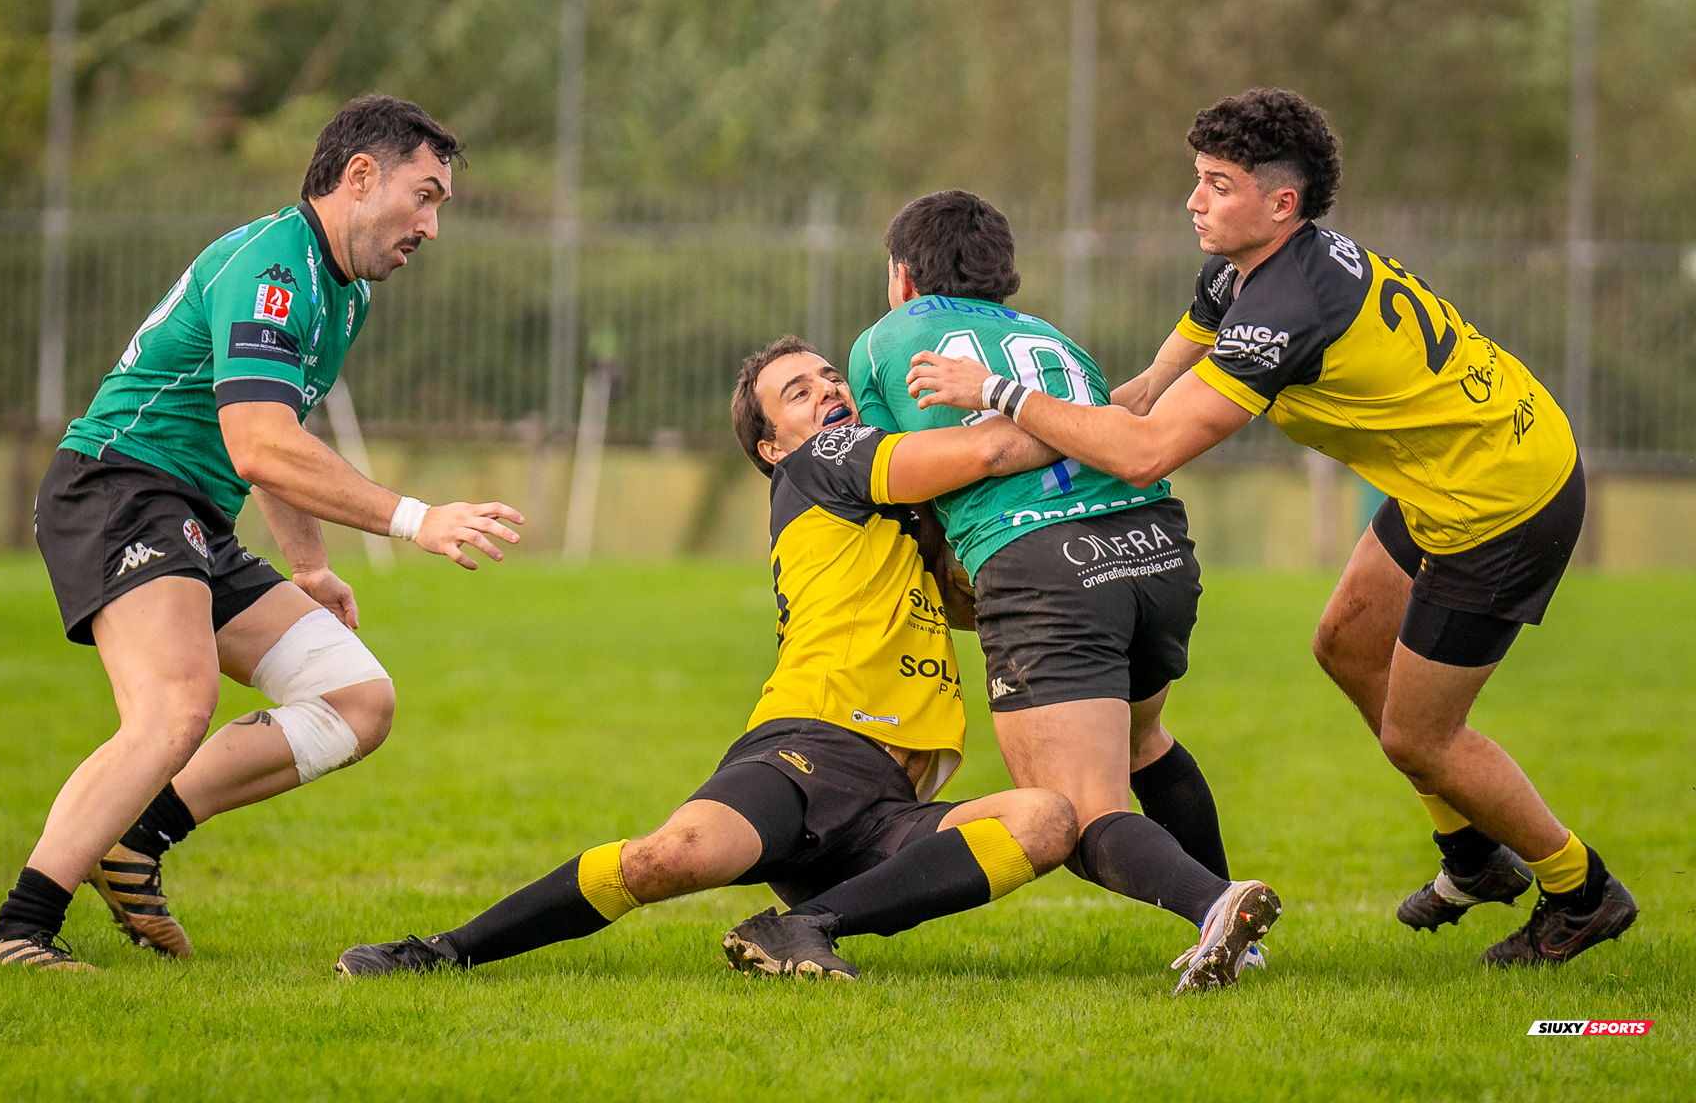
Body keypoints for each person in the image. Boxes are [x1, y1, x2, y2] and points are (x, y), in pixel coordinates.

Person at [905, 88, 1637, 967]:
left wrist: (998, 392)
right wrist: (1000, 448)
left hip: (1503, 501)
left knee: (1420, 737)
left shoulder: (1287, 305)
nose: (1194, 201)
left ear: (1282, 203)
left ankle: (1581, 890)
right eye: (1197, 178)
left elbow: (1148, 451)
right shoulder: (1239, 272)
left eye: (1218, 185)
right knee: (1347, 646)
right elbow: (1141, 397)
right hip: (1457, 473)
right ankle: (1474, 855)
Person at [0, 95, 528, 972]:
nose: (430, 226)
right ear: (360, 176)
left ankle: (135, 843)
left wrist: (310, 567)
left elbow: (276, 439)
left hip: (192, 515)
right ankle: (14, 932)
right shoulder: (273, 267)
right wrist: (415, 518)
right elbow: (258, 442)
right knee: (175, 706)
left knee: (358, 699)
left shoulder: (343, 294)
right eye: (424, 197)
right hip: (119, 489)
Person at [336, 338, 1079, 981]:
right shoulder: (821, 461)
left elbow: (968, 604)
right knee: (670, 858)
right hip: (810, 752)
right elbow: (990, 450)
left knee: (1045, 820)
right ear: (773, 448)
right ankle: (441, 952)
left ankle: (808, 925)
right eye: (798, 392)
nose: (828, 390)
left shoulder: (889, 513)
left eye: (831, 379)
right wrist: (1091, 426)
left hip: (890, 802)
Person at [849, 190, 1280, 994]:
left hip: (1048, 565)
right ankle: (1236, 934)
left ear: (902, 276)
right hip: (1155, 548)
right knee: (1143, 743)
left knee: (1070, 813)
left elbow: (905, 481)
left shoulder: (885, 341)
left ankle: (1217, 903)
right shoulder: (1052, 338)